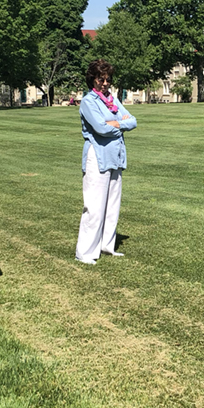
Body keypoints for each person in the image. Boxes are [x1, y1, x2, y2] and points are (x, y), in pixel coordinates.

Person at [75, 59, 136, 265]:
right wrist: (120, 124)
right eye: (101, 79)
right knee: (94, 206)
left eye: (108, 79)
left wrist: (115, 123)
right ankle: (85, 252)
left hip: (116, 156)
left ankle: (106, 245)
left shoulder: (113, 100)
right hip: (97, 156)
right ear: (92, 79)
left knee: (112, 204)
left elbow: (133, 121)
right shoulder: (88, 101)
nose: (105, 83)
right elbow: (100, 128)